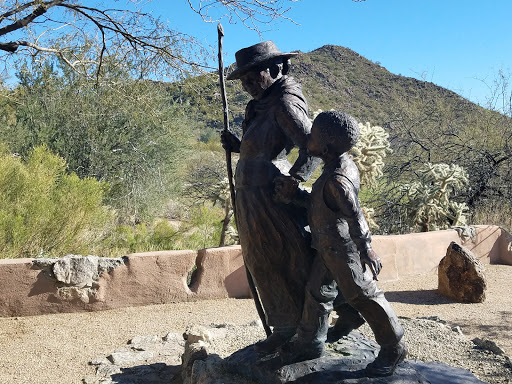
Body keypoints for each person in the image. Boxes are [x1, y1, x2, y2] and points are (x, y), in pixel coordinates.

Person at [277, 111, 406, 377]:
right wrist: (296, 197)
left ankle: (393, 346)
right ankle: (313, 339)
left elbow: (354, 214)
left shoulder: (337, 180)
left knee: (362, 294)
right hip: (326, 247)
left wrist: (365, 247)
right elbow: (323, 206)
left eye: (311, 135)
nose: (307, 139)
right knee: (317, 293)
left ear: (324, 147)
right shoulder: (338, 167)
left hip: (341, 250)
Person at [221, 41, 321, 354]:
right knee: (262, 261)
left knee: (286, 258)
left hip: (270, 196)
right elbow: (262, 146)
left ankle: (305, 326)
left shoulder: (284, 103)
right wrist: (239, 147)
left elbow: (313, 146)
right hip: (250, 196)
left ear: (276, 68)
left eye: (254, 77)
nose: (249, 85)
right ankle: (284, 326)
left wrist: (296, 179)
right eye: (244, 81)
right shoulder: (260, 105)